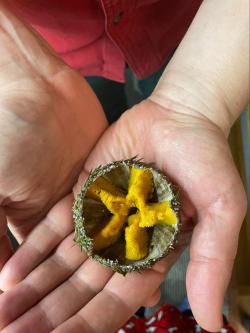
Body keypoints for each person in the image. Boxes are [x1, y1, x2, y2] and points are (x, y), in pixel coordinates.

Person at [0, 0, 248, 332]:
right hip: (62, 51)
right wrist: (10, 60)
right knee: (98, 109)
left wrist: (202, 94)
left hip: (195, 29)